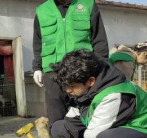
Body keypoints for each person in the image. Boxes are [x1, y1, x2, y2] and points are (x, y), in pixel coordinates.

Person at [32, 0, 109, 128]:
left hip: (83, 70)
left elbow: (99, 39)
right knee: (56, 117)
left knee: (87, 113)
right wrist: (37, 67)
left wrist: (101, 69)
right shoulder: (42, 10)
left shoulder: (87, 5)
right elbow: (38, 42)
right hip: (53, 72)